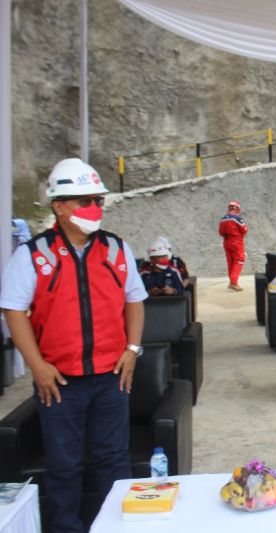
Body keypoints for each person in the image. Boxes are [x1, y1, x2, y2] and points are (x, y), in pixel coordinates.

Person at [0, 158, 146, 533]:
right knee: (64, 465)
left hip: (112, 378)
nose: (94, 208)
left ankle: (117, 527)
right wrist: (37, 366)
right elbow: (14, 311)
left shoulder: (115, 249)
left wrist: (132, 349)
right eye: (84, 201)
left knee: (114, 460)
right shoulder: (33, 255)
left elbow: (134, 301)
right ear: (59, 206)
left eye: (97, 200)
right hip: (60, 381)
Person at [218, 200, 248, 291]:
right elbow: (245, 230)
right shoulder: (237, 218)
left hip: (226, 242)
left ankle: (232, 282)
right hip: (236, 242)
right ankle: (234, 283)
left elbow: (220, 232)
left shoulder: (223, 219)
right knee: (239, 260)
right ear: (237, 209)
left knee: (230, 261)